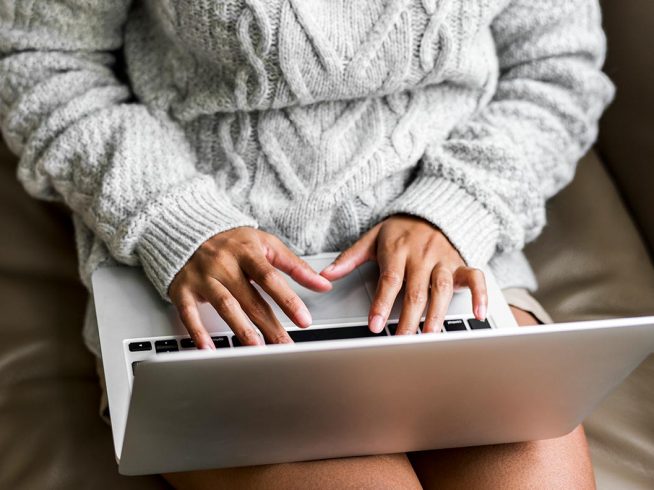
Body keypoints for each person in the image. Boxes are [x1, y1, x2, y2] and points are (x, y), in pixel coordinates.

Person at [0, 0, 614, 488]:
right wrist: (177, 223)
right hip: (213, 282)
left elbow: (559, 71)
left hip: (449, 265)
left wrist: (457, 209)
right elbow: (40, 62)